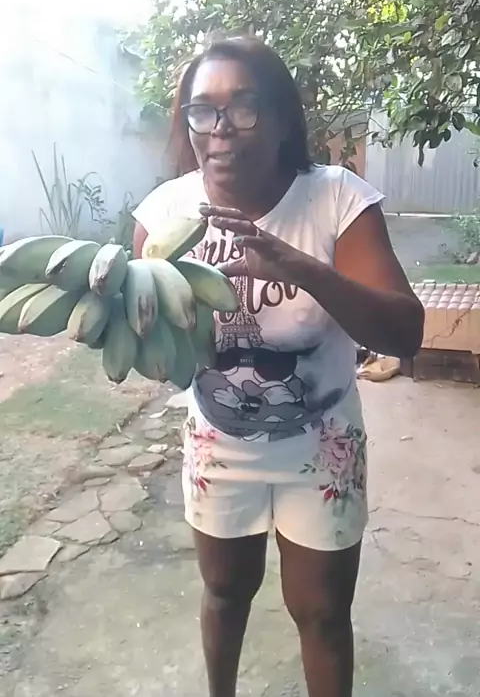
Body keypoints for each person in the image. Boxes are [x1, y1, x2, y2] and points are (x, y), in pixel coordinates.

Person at [132, 36, 424, 697]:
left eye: (244, 106)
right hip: (217, 440)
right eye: (203, 109)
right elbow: (161, 363)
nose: (221, 127)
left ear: (282, 117)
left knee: (322, 614)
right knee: (224, 591)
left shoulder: (336, 201)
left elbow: (405, 332)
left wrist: (299, 267)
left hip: (322, 444)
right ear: (187, 121)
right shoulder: (163, 217)